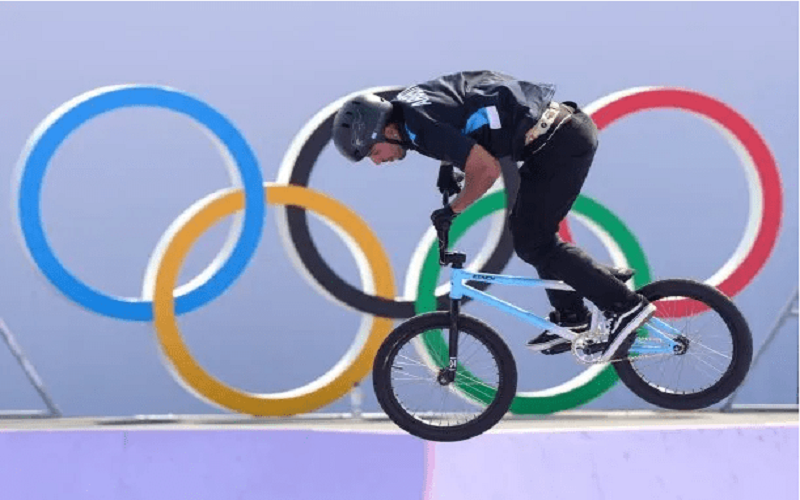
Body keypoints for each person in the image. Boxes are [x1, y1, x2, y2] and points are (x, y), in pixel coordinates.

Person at [331, 70, 655, 356]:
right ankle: (574, 314)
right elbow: (458, 114)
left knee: (533, 240)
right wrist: (449, 165)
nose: (377, 161)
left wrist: (453, 210)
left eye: (373, 152)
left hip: (559, 141)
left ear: (384, 130)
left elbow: (485, 171)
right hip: (553, 138)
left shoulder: (419, 126)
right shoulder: (409, 113)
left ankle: (624, 307)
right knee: (529, 234)